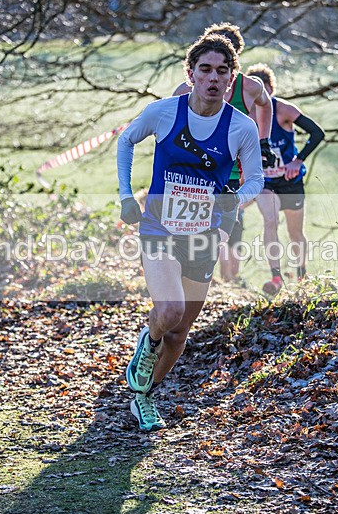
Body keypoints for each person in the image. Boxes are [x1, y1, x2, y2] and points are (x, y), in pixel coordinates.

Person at [118, 34, 264, 431]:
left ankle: (143, 397)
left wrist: (235, 196)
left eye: (221, 71)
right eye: (205, 70)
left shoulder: (241, 127)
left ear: (231, 80)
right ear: (191, 74)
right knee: (170, 311)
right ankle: (146, 344)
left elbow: (256, 179)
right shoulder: (164, 112)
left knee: (180, 334)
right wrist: (125, 194)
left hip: (205, 236)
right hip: (159, 227)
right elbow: (126, 140)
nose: (213, 78)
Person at [173, 23, 276, 283]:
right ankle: (193, 280)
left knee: (222, 228)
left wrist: (264, 142)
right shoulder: (186, 90)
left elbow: (267, 105)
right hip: (193, 175)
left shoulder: (249, 87)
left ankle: (222, 279)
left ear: (234, 57)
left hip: (230, 172)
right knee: (192, 232)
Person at [246, 64, 325, 293]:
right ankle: (276, 278)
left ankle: (301, 274)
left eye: (262, 92)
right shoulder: (246, 113)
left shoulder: (284, 110)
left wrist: (298, 160)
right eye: (253, 92)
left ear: (270, 89)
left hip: (289, 180)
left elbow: (317, 133)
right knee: (270, 222)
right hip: (265, 182)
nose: (258, 98)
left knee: (295, 232)